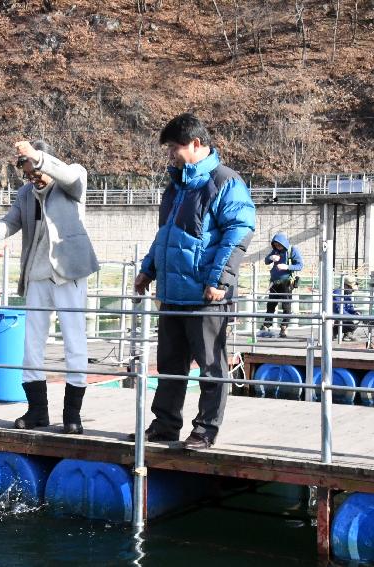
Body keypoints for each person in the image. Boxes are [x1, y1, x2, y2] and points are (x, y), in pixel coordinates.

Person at [133, 113, 256, 449]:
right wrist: (149, 269)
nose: (170, 154)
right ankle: (165, 424)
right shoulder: (176, 187)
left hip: (206, 295)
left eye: (174, 147)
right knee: (170, 366)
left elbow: (239, 232)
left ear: (196, 144)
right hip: (173, 294)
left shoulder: (225, 182)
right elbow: (166, 235)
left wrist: (220, 279)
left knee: (211, 367)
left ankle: (205, 429)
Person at [0, 140, 100, 434]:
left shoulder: (72, 180)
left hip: (69, 272)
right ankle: (37, 411)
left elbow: (69, 176)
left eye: (36, 170)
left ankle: (73, 415)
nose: (33, 178)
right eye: (28, 173)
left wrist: (38, 157)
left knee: (75, 340)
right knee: (31, 342)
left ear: (46, 163)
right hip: (37, 274)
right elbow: (11, 222)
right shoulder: (25, 194)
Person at [257, 232, 304, 338]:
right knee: (271, 305)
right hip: (274, 282)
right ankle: (266, 325)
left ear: (284, 243)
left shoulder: (292, 250)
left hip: (286, 283)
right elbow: (266, 261)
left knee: (286, 307)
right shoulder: (275, 251)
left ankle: (284, 327)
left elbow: (300, 265)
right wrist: (271, 258)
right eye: (275, 245)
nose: (278, 247)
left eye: (279, 245)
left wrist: (286, 267)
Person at [333, 275, 361, 341]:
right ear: (345, 286)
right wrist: (351, 317)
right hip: (335, 318)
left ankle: (347, 334)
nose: (352, 291)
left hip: (343, 317)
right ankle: (334, 332)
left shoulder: (347, 295)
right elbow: (337, 309)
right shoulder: (337, 293)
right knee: (353, 319)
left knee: (358, 315)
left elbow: (350, 308)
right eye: (351, 289)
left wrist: (355, 313)